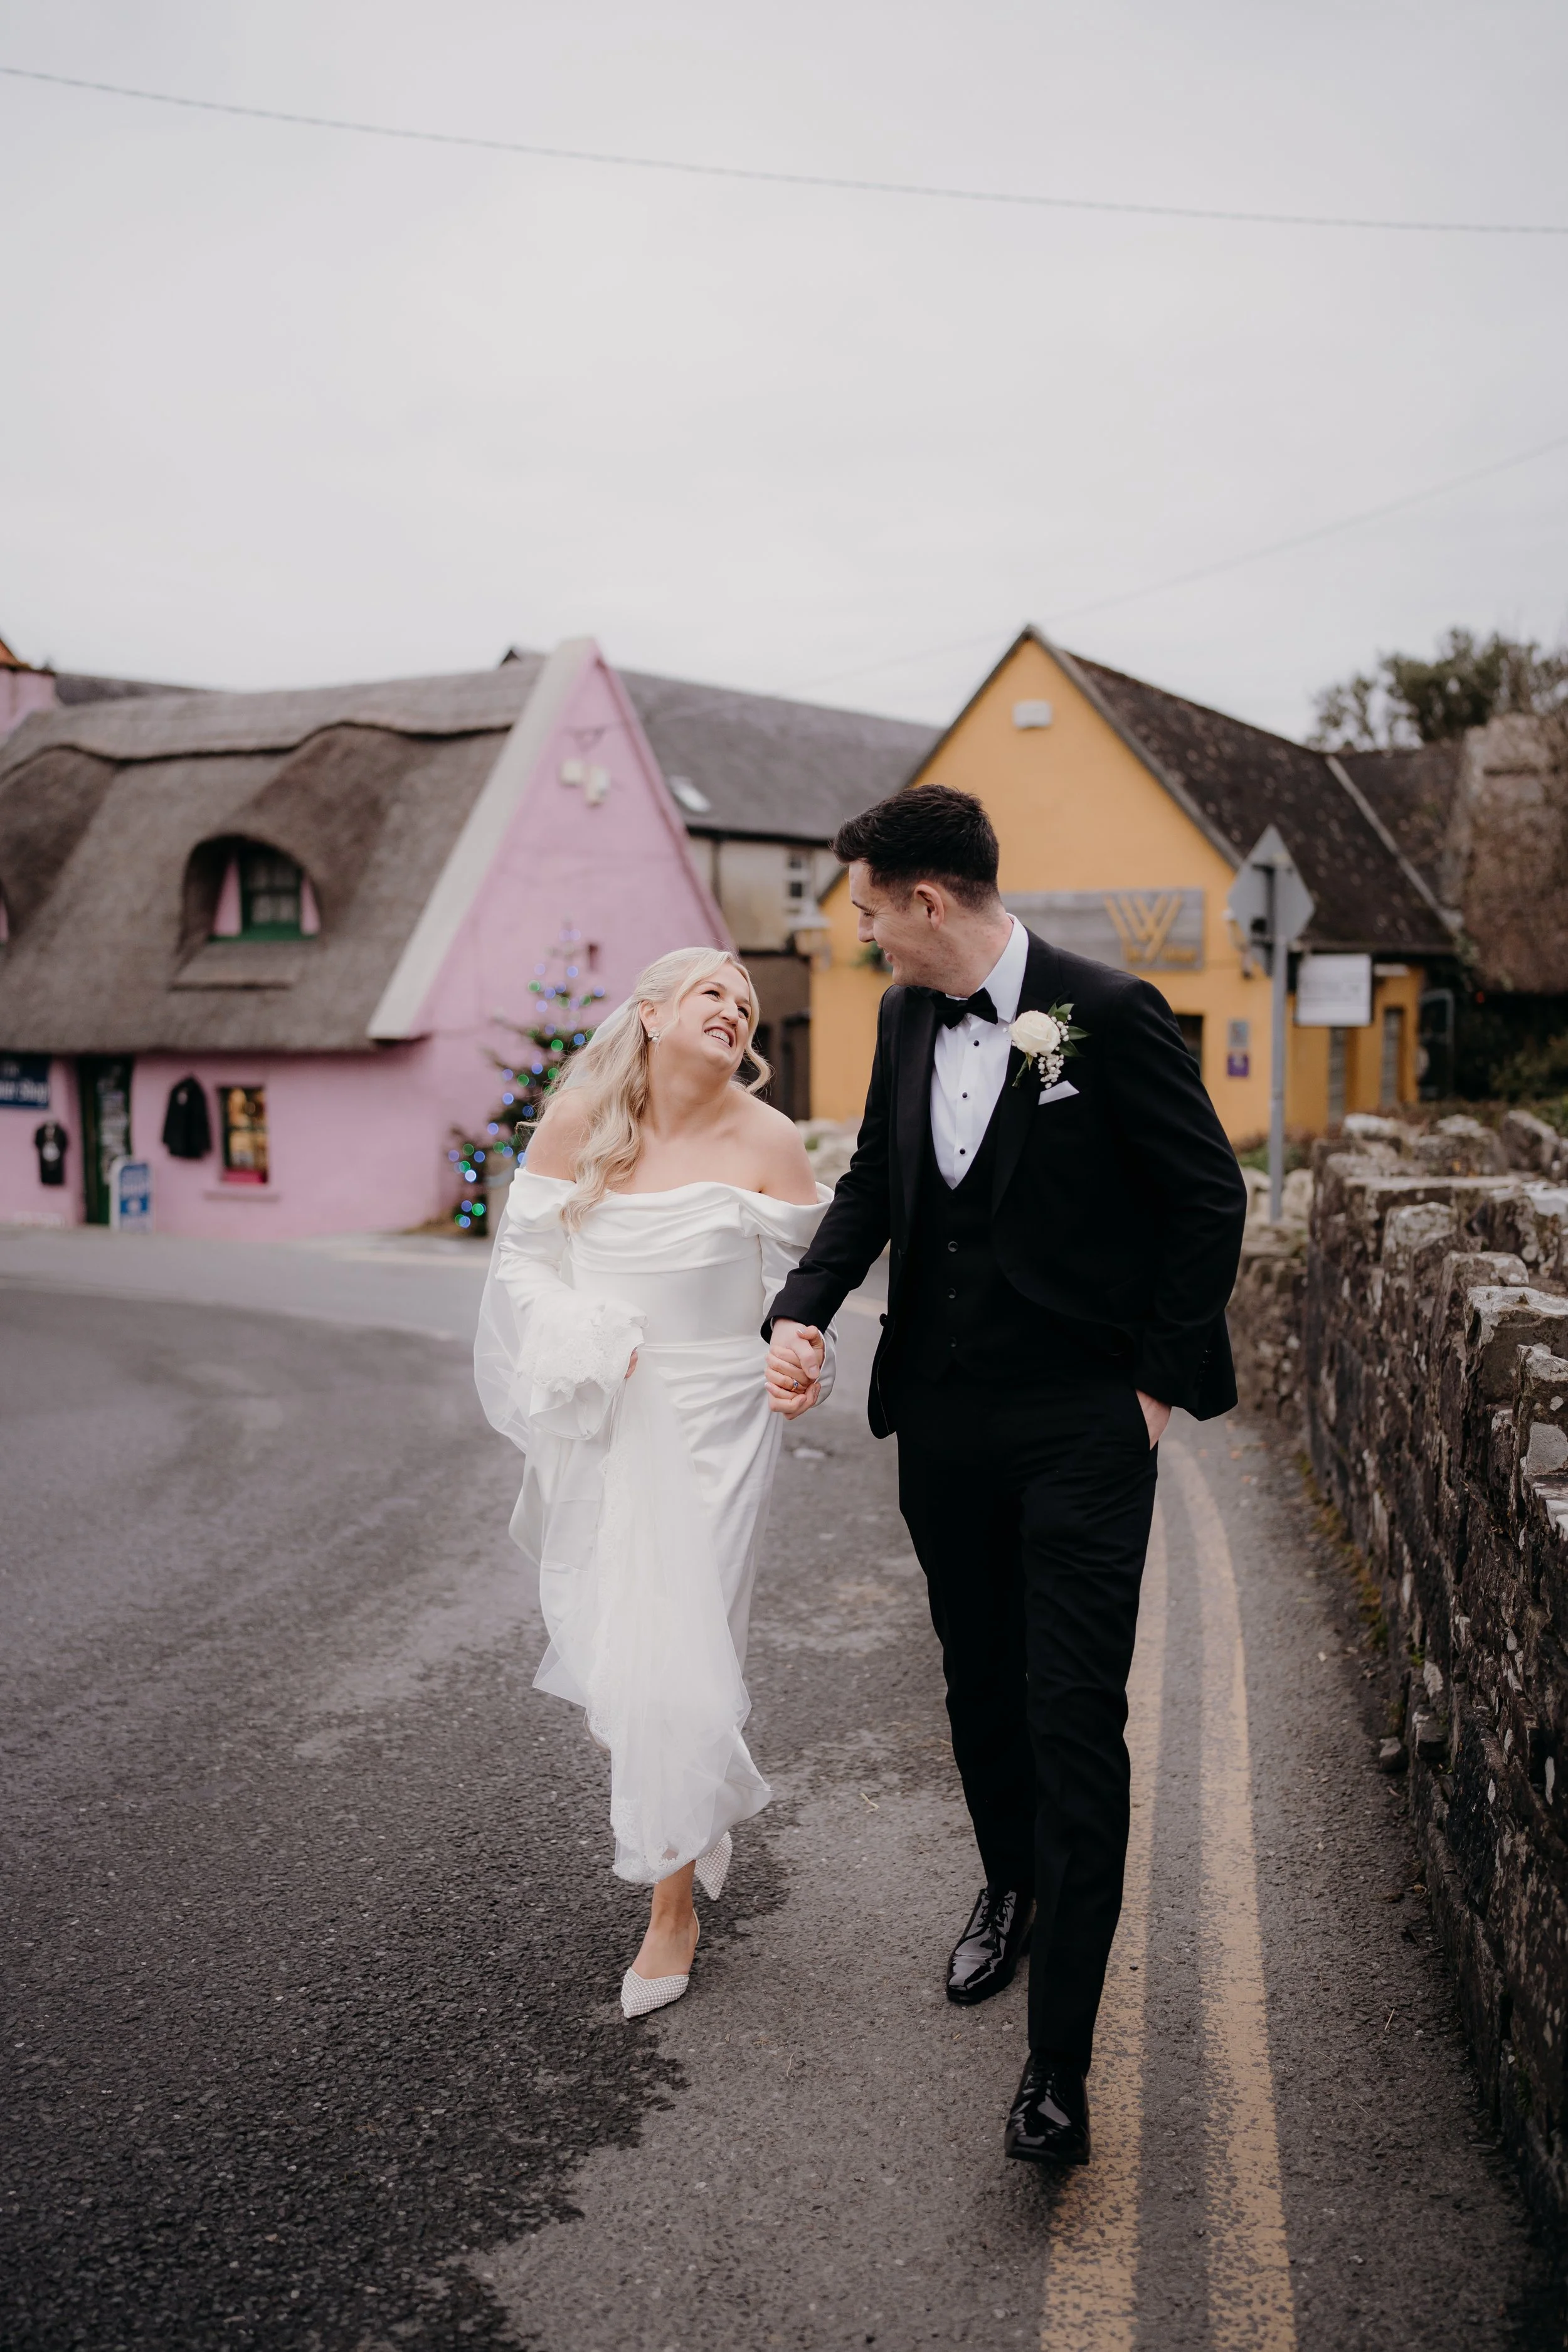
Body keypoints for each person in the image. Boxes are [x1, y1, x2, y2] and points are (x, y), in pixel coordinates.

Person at [765, 787, 1246, 2165]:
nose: (859, 938)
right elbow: (871, 1181)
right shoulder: (906, 1014)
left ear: (928, 901)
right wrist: (800, 1305)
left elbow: (1204, 1194)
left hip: (1084, 1424)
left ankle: (1057, 2074)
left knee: (1072, 1715)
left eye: (866, 912)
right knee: (978, 1679)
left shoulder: (1108, 1009)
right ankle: (1003, 1889)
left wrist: (1152, 1385)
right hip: (943, 1419)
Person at [475, 946, 833, 2020]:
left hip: (721, 1418)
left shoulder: (769, 1140)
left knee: (678, 1662)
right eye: (711, 992)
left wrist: (805, 1354)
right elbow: (522, 1267)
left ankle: (670, 1906)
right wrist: (588, 1332)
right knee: (610, 1668)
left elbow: (807, 1288)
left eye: (747, 1001)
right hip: (606, 1407)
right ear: (651, 1013)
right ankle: (684, 1800)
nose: (735, 1008)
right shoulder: (580, 1118)